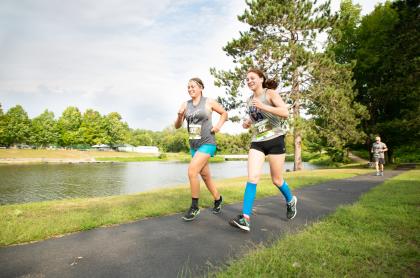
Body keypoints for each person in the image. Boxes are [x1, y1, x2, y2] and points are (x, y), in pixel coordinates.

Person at [229, 68, 297, 232]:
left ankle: (290, 200)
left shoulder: (270, 94)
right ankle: (245, 218)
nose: (249, 81)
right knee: (252, 177)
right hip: (258, 141)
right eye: (247, 79)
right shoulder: (249, 100)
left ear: (261, 79)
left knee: (277, 180)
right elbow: (256, 119)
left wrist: (263, 106)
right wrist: (247, 123)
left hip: (275, 140)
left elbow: (285, 112)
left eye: (252, 78)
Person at [175, 77, 228, 221]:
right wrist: (180, 116)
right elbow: (177, 126)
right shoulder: (185, 105)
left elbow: (224, 113)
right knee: (205, 176)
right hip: (194, 145)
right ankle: (218, 199)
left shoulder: (208, 102)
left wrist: (218, 126)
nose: (190, 89)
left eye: (193, 86)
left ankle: (194, 207)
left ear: (201, 88)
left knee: (192, 171)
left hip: (207, 142)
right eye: (188, 87)